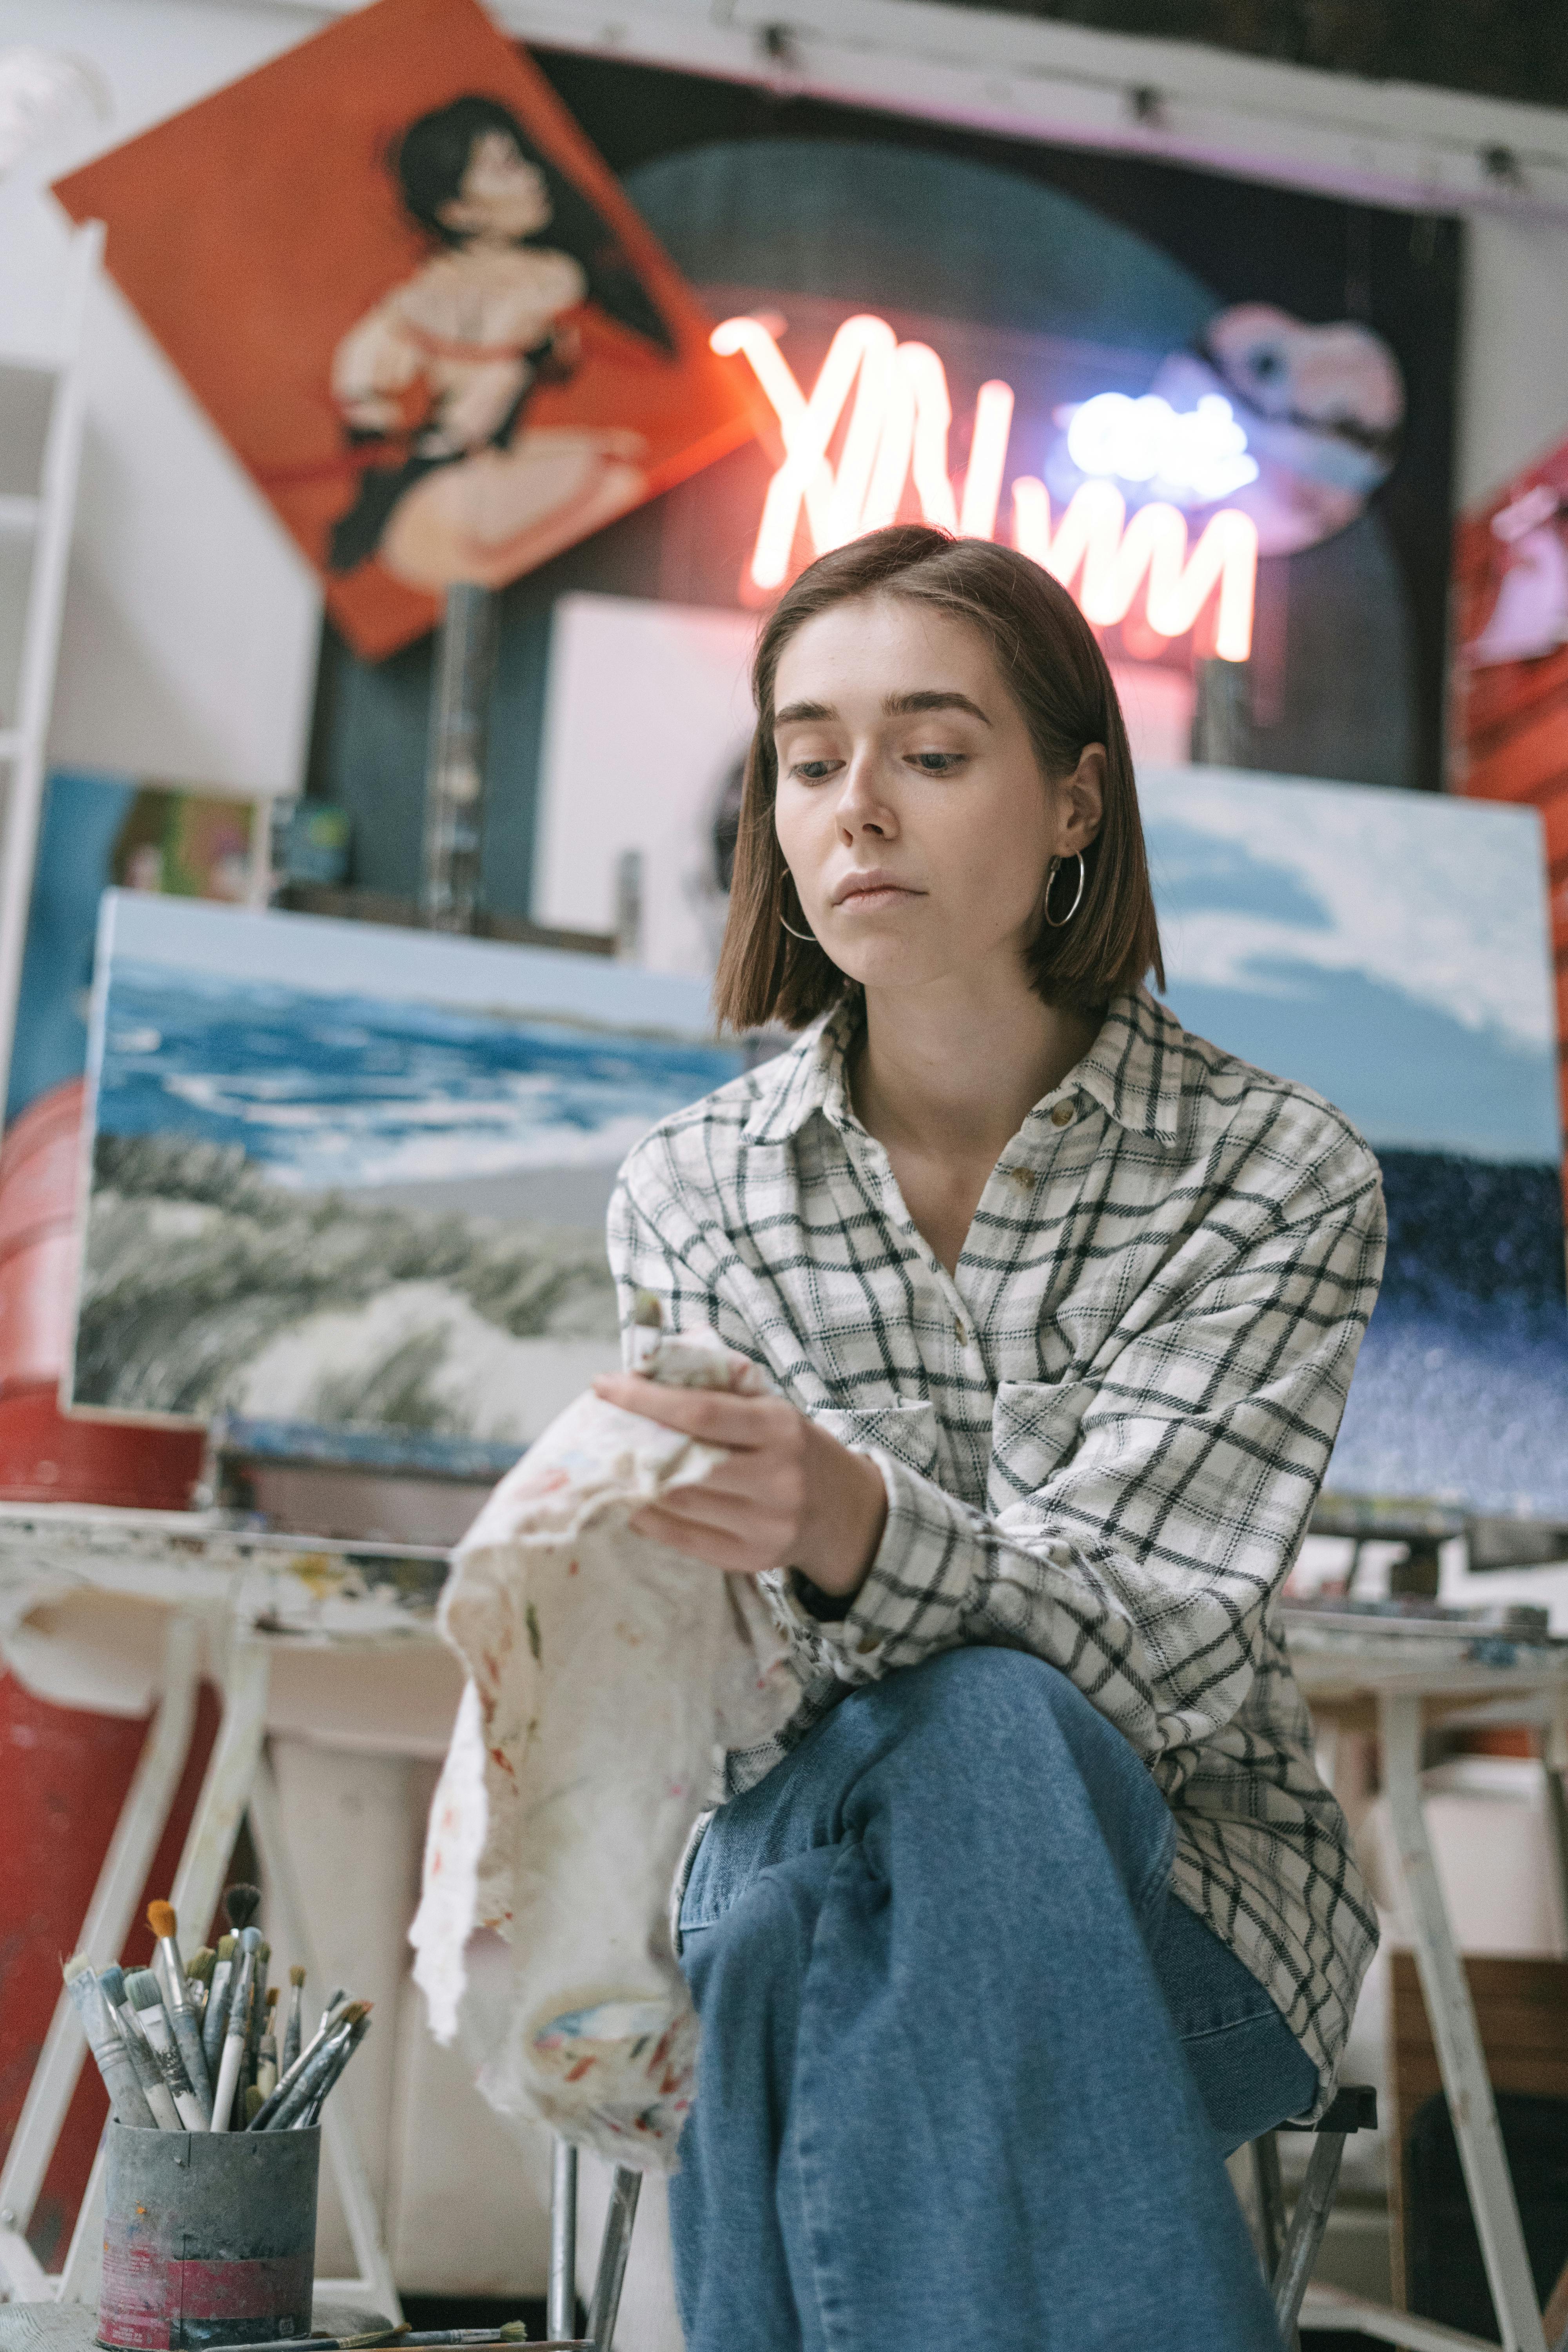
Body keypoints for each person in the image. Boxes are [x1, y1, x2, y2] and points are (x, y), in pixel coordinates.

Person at [595, 523, 1385, 2351]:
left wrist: (857, 1526)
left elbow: (1165, 1651)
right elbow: (735, 1683)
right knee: (834, 1893)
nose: (854, 807)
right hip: (801, 1851)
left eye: (930, 755)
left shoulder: (1271, 1173)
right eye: (807, 760)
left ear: (1070, 803)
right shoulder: (690, 1194)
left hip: (1192, 1928)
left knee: (914, 1810)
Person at [328, 94, 674, 592]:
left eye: (522, 159)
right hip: (442, 504)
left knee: (621, 471)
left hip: (491, 474)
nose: (533, 178)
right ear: (460, 211)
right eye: (506, 168)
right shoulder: (419, 303)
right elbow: (361, 378)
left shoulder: (553, 278)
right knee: (618, 481)